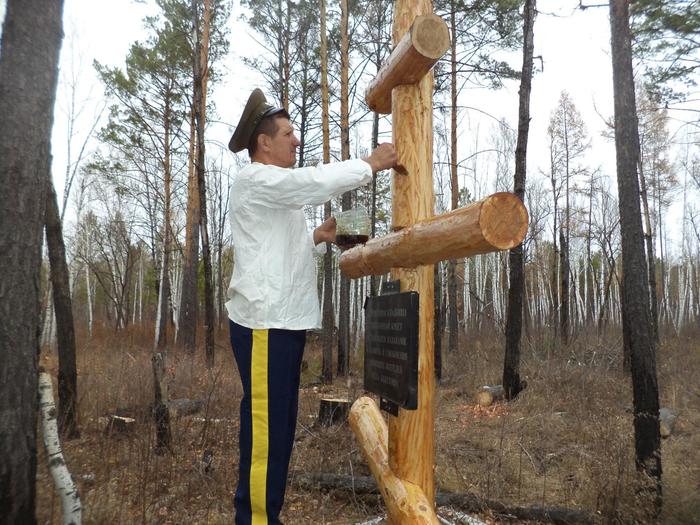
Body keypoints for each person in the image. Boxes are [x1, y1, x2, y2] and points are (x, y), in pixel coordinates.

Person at [225, 88, 396, 525]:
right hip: (264, 325)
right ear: (264, 143)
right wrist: (370, 164)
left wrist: (318, 238)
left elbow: (280, 255)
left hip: (283, 324)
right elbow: (310, 182)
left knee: (279, 428)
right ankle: (256, 521)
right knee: (266, 430)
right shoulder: (256, 180)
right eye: (288, 134)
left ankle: (267, 516)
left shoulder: (272, 194)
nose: (295, 141)